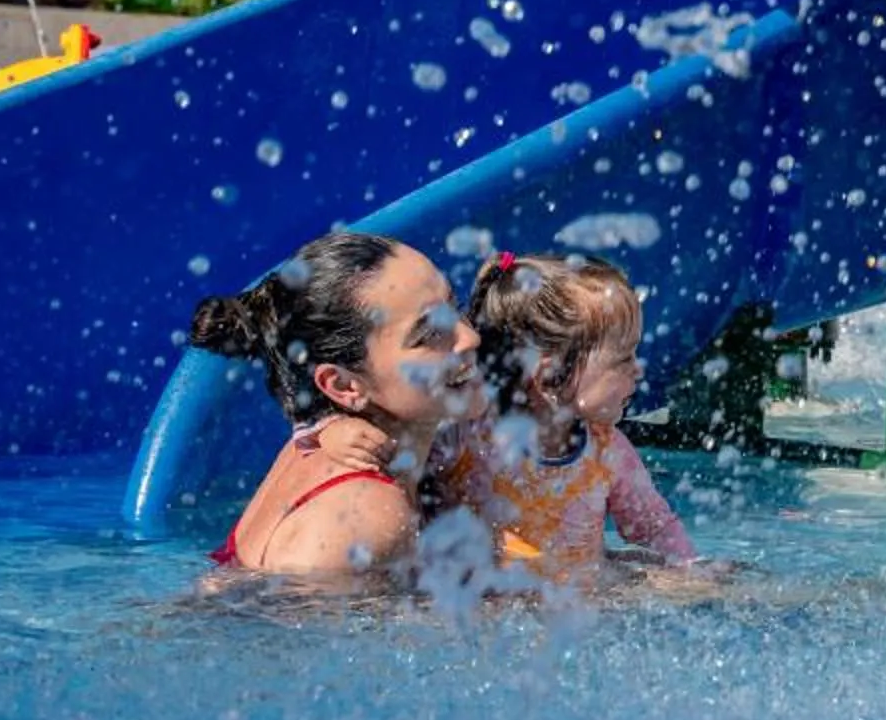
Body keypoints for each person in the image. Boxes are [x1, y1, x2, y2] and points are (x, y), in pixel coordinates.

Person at [194, 232, 483, 578]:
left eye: (455, 306)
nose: (471, 337)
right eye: (429, 334)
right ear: (344, 386)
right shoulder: (367, 517)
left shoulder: (320, 443)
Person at [433, 250, 696, 579]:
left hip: (580, 597)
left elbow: (655, 528)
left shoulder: (607, 450)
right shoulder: (467, 436)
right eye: (623, 359)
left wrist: (691, 570)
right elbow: (415, 501)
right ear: (549, 373)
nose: (639, 370)